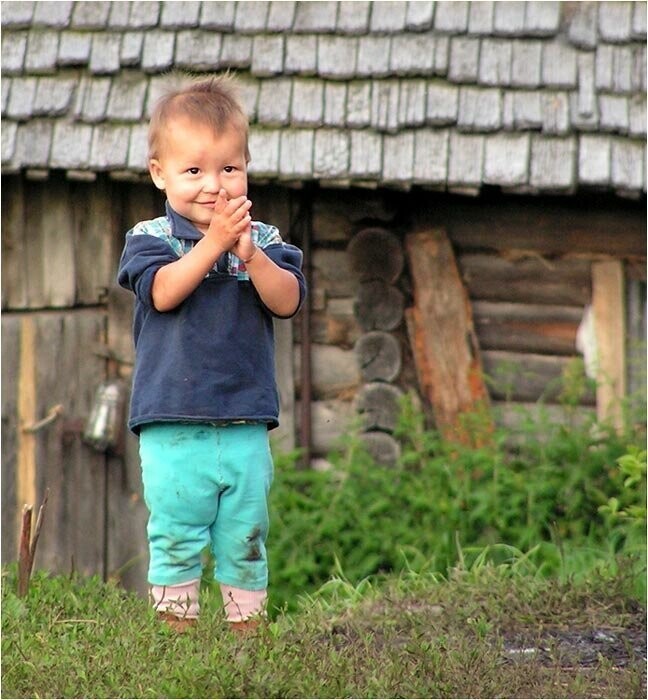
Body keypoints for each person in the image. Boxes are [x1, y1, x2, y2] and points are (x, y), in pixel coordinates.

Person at [117, 73, 306, 633]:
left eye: (229, 168)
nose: (213, 185)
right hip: (171, 423)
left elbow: (288, 301)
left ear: (246, 167)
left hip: (245, 421)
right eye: (193, 170)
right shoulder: (149, 238)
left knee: (245, 540)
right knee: (175, 539)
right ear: (160, 174)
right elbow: (164, 291)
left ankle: (244, 656)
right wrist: (214, 245)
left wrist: (249, 255)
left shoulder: (264, 240)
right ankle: (178, 656)